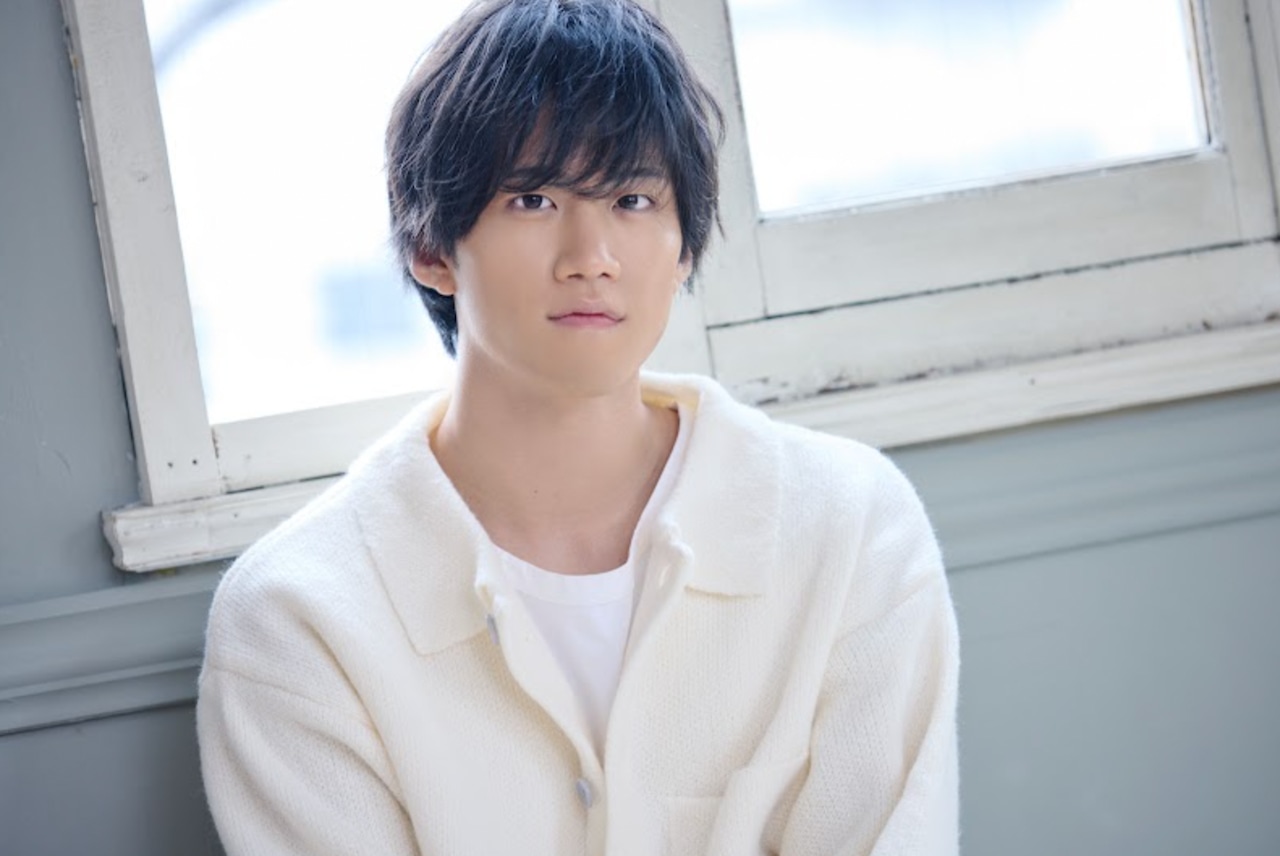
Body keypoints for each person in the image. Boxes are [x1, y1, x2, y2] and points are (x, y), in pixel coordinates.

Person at [195, 0, 960, 853]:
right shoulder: (297, 617)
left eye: (633, 198)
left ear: (684, 247)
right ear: (431, 247)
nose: (591, 255)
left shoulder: (851, 528)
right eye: (533, 199)